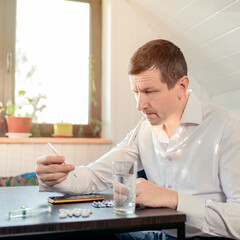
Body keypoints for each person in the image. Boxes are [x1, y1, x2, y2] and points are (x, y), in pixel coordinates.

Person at [36, 39, 240, 239]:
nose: (140, 105)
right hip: (156, 234)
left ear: (181, 86)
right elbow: (95, 177)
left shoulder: (227, 126)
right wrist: (56, 178)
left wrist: (173, 199)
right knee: (80, 233)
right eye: (136, 92)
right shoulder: (144, 129)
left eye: (149, 92)